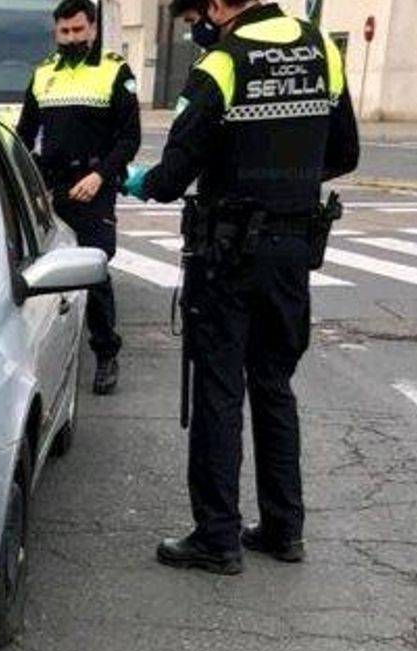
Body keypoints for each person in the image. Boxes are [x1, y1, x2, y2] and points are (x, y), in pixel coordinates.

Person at [123, 0, 359, 574]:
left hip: (227, 257)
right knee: (275, 384)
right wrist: (290, 183)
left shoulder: (224, 64)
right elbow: (345, 154)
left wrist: (139, 182)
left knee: (220, 391)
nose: (197, 24)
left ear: (220, 6)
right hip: (292, 253)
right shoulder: (322, 48)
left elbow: (174, 174)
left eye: (198, 13)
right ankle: (284, 528)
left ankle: (217, 537)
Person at [15, 0, 140, 395]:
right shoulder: (42, 75)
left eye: (78, 30)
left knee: (93, 269)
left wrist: (101, 175)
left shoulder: (114, 71)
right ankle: (48, 350)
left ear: (92, 29)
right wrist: (31, 186)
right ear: (56, 32)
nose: (71, 37)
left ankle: (106, 354)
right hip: (51, 188)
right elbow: (24, 134)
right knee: (44, 272)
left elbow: (130, 137)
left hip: (93, 186)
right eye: (64, 31)